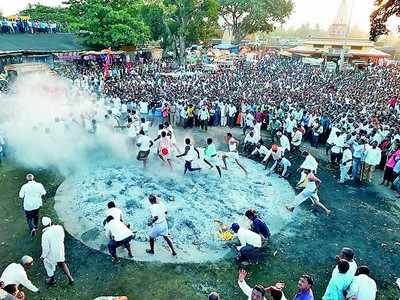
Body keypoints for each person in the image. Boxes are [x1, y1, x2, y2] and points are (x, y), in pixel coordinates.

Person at [40, 217, 74, 285]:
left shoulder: (45, 235)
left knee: (47, 263)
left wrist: (43, 256)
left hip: (51, 254)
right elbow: (62, 237)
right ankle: (70, 278)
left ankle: (51, 279)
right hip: (60, 250)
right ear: (50, 222)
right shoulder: (59, 228)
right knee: (62, 263)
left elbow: (46, 248)